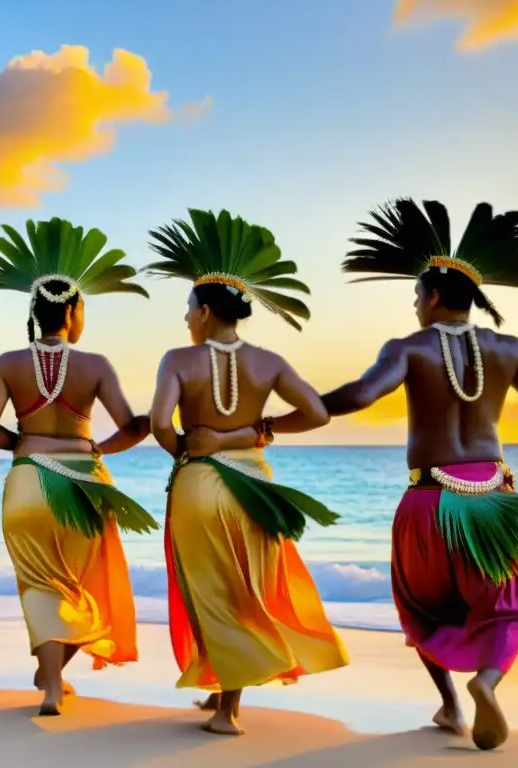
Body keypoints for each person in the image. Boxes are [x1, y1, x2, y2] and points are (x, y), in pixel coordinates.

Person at [304, 198, 518, 750]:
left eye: (415, 296)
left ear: (432, 296)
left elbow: (359, 396)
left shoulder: (407, 348)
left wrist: (302, 405)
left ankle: (452, 704)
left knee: (423, 606)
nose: (414, 307)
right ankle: (489, 679)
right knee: (505, 607)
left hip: (428, 499)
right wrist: (515, 376)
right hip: (492, 502)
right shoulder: (509, 349)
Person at [146, 208, 349, 736]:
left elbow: (157, 422)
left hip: (199, 480)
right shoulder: (271, 361)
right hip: (256, 483)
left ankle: (226, 709)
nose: (186, 319)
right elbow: (318, 413)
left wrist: (186, 456)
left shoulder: (177, 359)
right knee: (246, 591)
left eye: (189, 309)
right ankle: (224, 696)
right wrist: (261, 429)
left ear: (208, 311)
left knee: (210, 590)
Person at [0, 216, 159, 716]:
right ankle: (53, 673)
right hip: (85, 481)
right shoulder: (96, 365)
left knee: (40, 583)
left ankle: (50, 685)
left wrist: (25, 445)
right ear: (71, 312)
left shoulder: (7, 363)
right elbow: (134, 425)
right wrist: (99, 450)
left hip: (27, 481)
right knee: (84, 581)